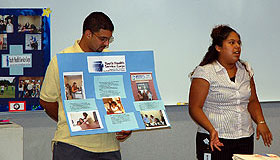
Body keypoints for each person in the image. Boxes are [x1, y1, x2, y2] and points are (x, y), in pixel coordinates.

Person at [40, 12, 132, 160]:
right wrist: (71, 121)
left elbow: (122, 99)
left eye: (109, 39)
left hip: (108, 147)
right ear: (88, 34)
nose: (107, 44)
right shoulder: (62, 60)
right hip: (72, 145)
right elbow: (46, 101)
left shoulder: (112, 62)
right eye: (103, 39)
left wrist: (125, 125)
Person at [188, 25, 273, 160]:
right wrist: (211, 130)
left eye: (239, 43)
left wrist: (261, 122)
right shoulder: (205, 72)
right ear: (218, 47)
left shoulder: (245, 69)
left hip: (244, 137)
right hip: (216, 139)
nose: (237, 47)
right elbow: (194, 108)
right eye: (231, 43)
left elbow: (252, 100)